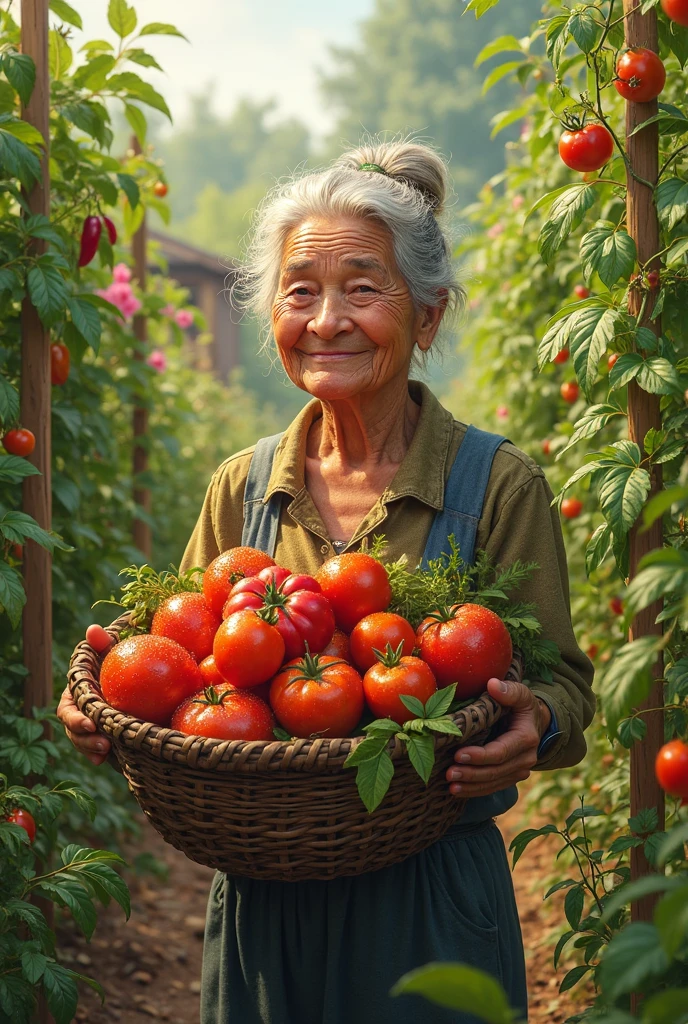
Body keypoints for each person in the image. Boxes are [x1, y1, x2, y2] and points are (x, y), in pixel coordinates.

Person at [58, 139, 595, 1024]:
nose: (326, 318)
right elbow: (184, 663)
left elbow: (565, 684)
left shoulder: (497, 486)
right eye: (300, 290)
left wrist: (537, 721)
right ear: (272, 315)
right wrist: (109, 706)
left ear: (427, 316)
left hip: (432, 896)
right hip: (264, 903)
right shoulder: (243, 485)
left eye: (363, 287)